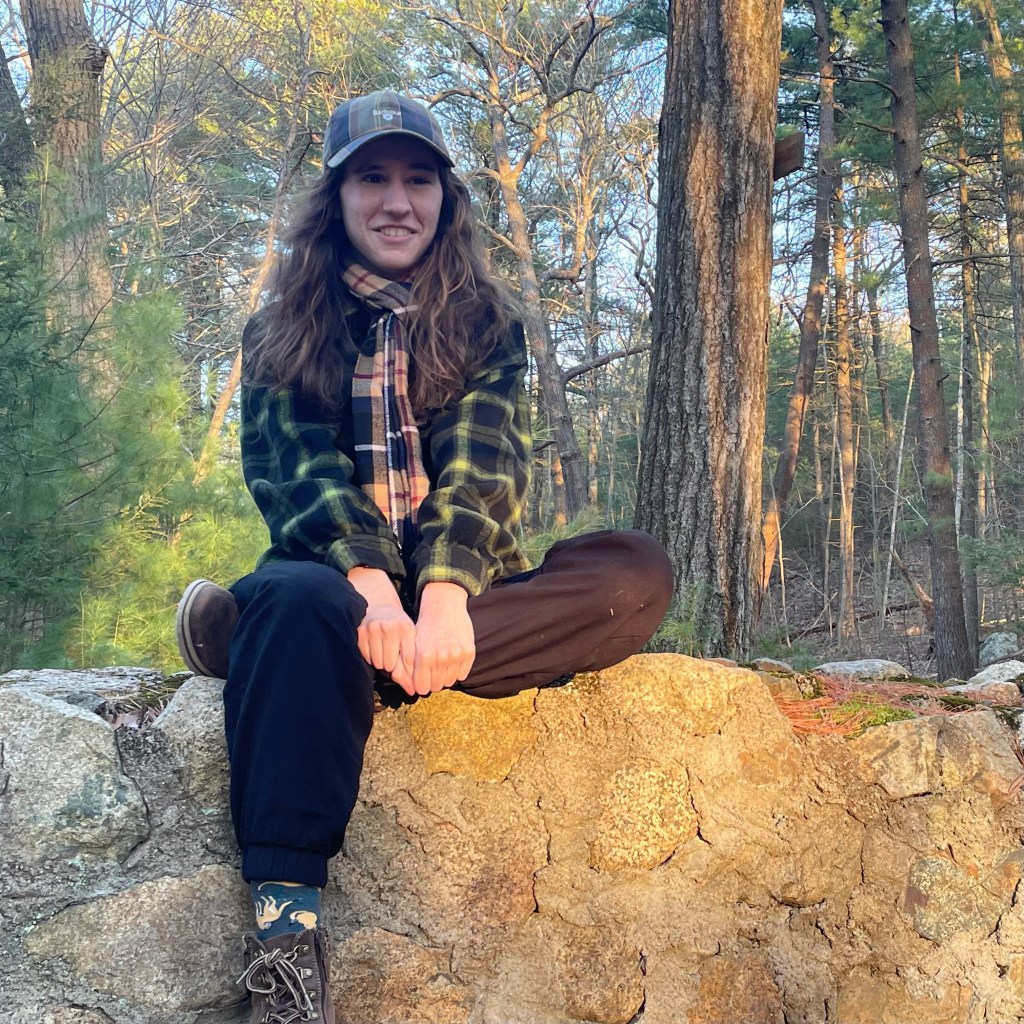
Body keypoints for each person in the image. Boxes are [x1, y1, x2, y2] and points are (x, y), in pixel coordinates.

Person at [175, 90, 673, 1024]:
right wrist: (371, 588)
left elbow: (485, 467)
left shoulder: (489, 324)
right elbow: (298, 475)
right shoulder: (281, 328)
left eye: (417, 179)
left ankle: (276, 658)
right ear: (338, 199)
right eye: (373, 178)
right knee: (299, 600)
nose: (397, 201)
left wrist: (441, 596)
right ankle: (287, 945)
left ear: (446, 198)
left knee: (633, 571)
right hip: (333, 581)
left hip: (468, 601)